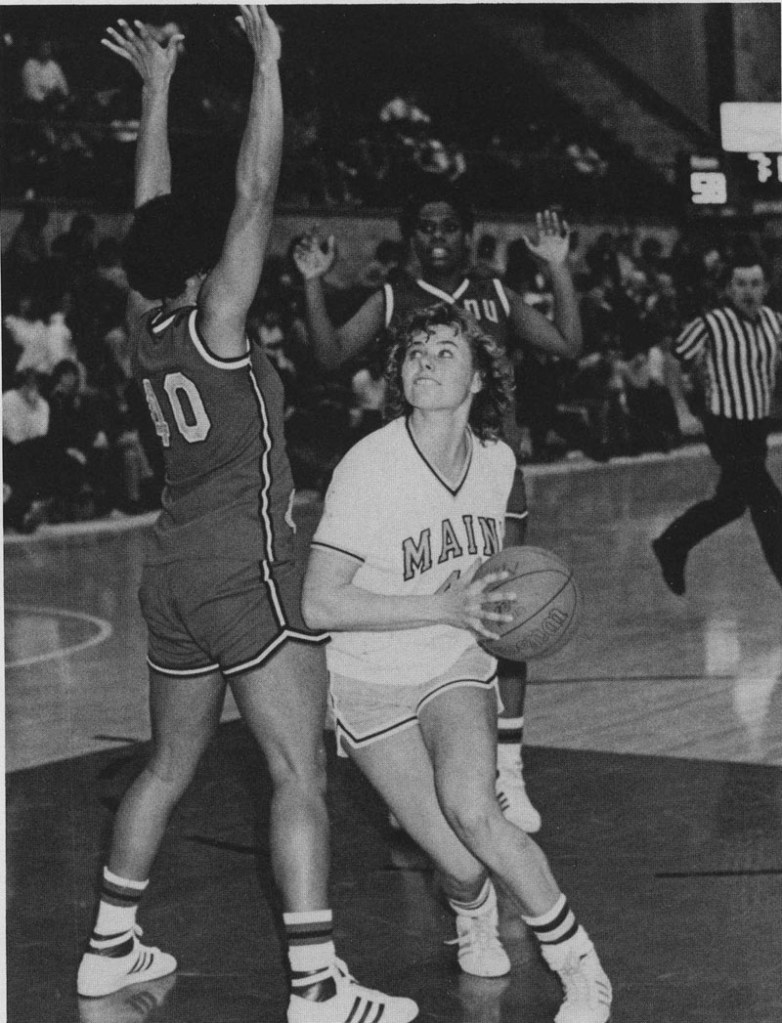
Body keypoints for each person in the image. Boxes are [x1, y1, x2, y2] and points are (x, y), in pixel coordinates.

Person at [76, 13, 418, 1023]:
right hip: (247, 572)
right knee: (293, 769)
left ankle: (108, 948)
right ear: (205, 262)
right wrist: (267, 64)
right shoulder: (219, 324)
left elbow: (155, 208)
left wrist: (158, 90)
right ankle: (315, 985)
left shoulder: (142, 326)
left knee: (170, 766)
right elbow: (253, 190)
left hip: (172, 572)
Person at [302, 302, 612, 1023]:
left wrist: (512, 609)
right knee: (460, 860)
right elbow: (319, 604)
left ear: (479, 378)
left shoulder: (498, 461)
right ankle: (471, 909)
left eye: (445, 350)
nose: (425, 360)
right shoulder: (369, 467)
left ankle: (582, 967)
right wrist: (442, 604)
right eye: (414, 350)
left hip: (454, 661)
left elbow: (493, 570)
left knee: (477, 810)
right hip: (369, 675)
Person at [292, 178, 583, 834]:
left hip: (489, 478)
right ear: (411, 235)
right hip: (411, 486)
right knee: (420, 611)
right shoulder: (395, 294)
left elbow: (566, 344)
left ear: (468, 233)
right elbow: (329, 354)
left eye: (449, 225)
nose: (438, 237)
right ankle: (417, 772)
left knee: (507, 612)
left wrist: (559, 269)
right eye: (425, 226)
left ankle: (506, 768)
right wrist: (312, 281)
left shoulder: (497, 294)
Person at [652, 252, 782, 594]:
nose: (748, 291)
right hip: (724, 425)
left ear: (766, 287)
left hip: (756, 428)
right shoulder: (711, 323)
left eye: (755, 283)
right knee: (769, 502)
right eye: (740, 284)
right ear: (729, 288)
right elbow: (672, 360)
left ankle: (671, 543)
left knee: (731, 503)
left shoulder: (775, 322)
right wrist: (682, 409)